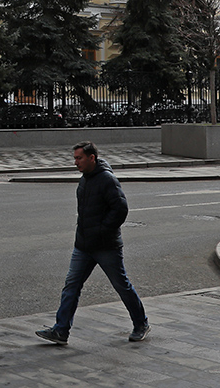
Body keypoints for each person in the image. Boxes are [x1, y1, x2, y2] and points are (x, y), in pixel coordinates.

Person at [36, 141, 149, 346]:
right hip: (84, 246)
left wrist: (101, 231)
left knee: (121, 285)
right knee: (71, 285)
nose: (75, 162)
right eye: (75, 158)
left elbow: (120, 209)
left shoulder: (107, 179)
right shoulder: (85, 179)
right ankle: (61, 330)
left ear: (92, 158)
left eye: (79, 158)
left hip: (106, 246)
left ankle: (141, 323)